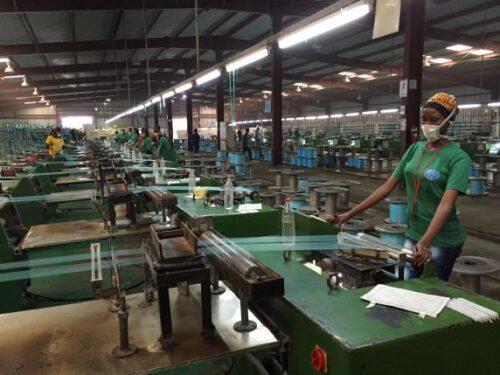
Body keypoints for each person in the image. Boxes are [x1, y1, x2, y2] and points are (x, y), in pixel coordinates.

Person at [335, 92, 470, 281]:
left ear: (448, 121)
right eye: (424, 119)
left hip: (441, 240)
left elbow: (446, 204)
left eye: (434, 119)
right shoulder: (415, 149)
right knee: (406, 282)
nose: (427, 124)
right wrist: (349, 214)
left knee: (431, 289)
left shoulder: (458, 158)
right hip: (413, 233)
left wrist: (425, 243)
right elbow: (386, 188)